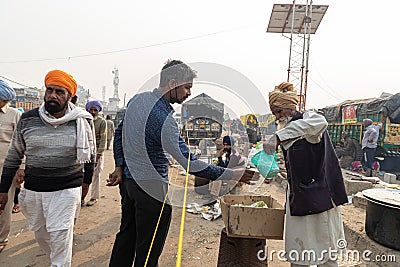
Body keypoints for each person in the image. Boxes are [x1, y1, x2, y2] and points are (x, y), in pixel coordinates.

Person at [106, 59, 253, 267]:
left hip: (129, 184)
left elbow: (119, 133)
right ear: (173, 83)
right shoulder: (164, 118)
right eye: (187, 87)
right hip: (152, 188)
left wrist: (120, 166)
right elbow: (190, 164)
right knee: (148, 251)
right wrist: (231, 174)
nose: (188, 93)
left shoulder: (137, 100)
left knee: (126, 237)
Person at [0, 70, 96, 266]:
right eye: (50, 90)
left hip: (67, 190)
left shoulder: (82, 121)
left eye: (60, 91)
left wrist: (86, 184)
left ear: (70, 96)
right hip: (35, 190)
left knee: (61, 235)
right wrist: (3, 189)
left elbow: (91, 156)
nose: (53, 95)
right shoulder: (27, 119)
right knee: (41, 235)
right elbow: (14, 155)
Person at [263, 82, 348, 267]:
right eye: (274, 113)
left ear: (290, 106)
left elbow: (321, 123)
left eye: (279, 111)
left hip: (321, 198)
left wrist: (279, 136)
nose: (277, 117)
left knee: (326, 256)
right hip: (300, 197)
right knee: (299, 255)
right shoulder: (286, 129)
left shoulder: (308, 120)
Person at [0, 80, 22, 253]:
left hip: (6, 169)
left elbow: (23, 144)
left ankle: (2, 238)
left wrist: (22, 167)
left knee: (4, 204)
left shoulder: (15, 115)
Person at [84, 101, 107, 206]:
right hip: (84, 151)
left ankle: (94, 197)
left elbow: (103, 139)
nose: (93, 112)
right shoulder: (83, 120)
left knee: (95, 176)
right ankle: (81, 198)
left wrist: (98, 155)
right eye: (91, 109)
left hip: (96, 152)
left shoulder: (102, 122)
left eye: (95, 110)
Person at [209, 135, 246, 200]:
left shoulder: (234, 156)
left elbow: (225, 170)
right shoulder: (228, 154)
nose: (225, 147)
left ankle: (214, 197)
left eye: (227, 145)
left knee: (218, 178)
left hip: (238, 178)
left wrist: (219, 157)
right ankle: (210, 193)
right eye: (224, 145)